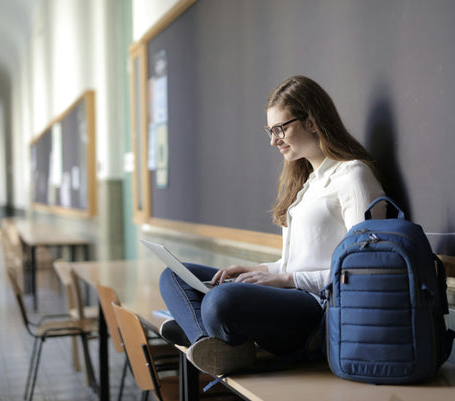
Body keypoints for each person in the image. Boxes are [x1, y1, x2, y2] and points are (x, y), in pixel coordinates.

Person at [159, 75, 385, 375]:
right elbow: (295, 262)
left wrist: (287, 280)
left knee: (221, 300)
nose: (273, 140)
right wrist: (260, 271)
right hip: (291, 294)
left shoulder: (353, 176)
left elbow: (365, 269)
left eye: (280, 128)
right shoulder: (306, 183)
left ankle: (206, 331)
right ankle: (211, 343)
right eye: (270, 130)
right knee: (173, 275)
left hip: (321, 309)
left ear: (312, 122)